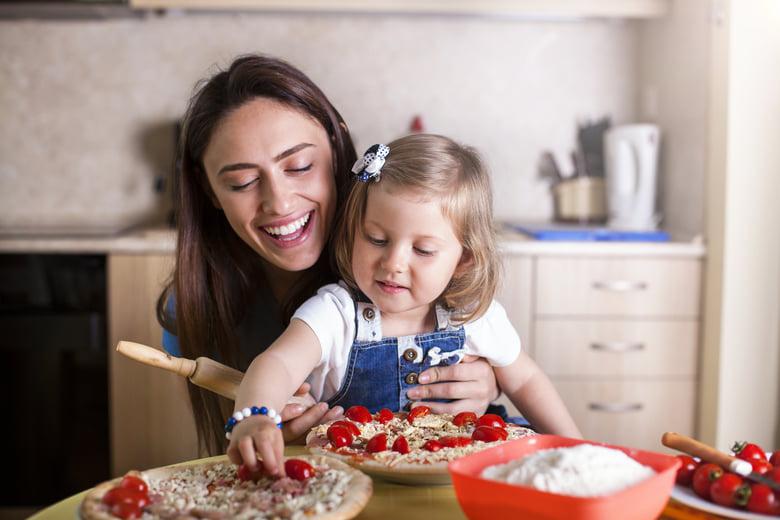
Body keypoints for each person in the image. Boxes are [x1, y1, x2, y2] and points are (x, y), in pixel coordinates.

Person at [157, 54, 502, 456]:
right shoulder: (194, 309)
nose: (279, 202)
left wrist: (489, 380)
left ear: (337, 147)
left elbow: (498, 354)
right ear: (210, 191)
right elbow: (239, 437)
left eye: (300, 166)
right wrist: (265, 433)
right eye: (243, 181)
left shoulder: (401, 253)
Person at [227, 134, 581, 474]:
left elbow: (526, 381)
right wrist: (256, 416)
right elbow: (277, 364)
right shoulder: (335, 314)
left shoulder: (473, 316)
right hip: (362, 483)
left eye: (423, 250)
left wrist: (577, 450)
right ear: (353, 231)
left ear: (464, 260)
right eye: (376, 239)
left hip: (459, 480)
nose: (393, 262)